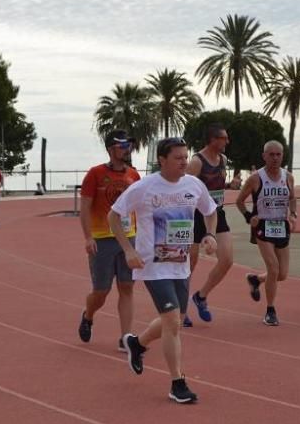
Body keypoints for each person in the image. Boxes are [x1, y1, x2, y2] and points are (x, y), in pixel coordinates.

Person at [110, 137, 218, 404]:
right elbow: (114, 216)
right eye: (178, 157)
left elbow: (210, 211)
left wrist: (211, 235)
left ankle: (137, 343)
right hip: (152, 265)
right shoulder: (144, 187)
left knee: (176, 319)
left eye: (185, 156)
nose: (184, 161)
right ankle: (177, 382)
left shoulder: (194, 185)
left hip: (180, 264)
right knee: (172, 322)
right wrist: (128, 250)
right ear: (162, 160)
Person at [78, 131, 141, 347]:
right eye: (122, 145)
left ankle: (126, 338)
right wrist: (88, 238)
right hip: (102, 239)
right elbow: (84, 208)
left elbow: (139, 208)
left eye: (128, 145)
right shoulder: (95, 174)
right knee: (101, 291)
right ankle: (88, 315)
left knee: (127, 287)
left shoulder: (134, 175)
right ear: (111, 148)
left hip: (128, 239)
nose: (126, 149)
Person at [235, 141, 297, 325]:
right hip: (263, 226)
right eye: (271, 154)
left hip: (282, 226)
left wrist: (293, 215)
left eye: (279, 154)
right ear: (264, 156)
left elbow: (292, 199)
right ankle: (270, 311)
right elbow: (239, 201)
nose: (275, 158)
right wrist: (249, 217)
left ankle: (256, 279)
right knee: (273, 268)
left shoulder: (288, 177)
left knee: (282, 274)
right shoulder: (256, 178)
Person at [184, 122, 234, 325]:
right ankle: (180, 308)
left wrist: (231, 185)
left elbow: (217, 185)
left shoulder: (222, 159)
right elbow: (184, 189)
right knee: (189, 265)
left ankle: (201, 296)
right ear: (213, 140)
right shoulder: (196, 162)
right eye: (224, 138)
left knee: (227, 260)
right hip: (195, 217)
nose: (227, 141)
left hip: (217, 213)